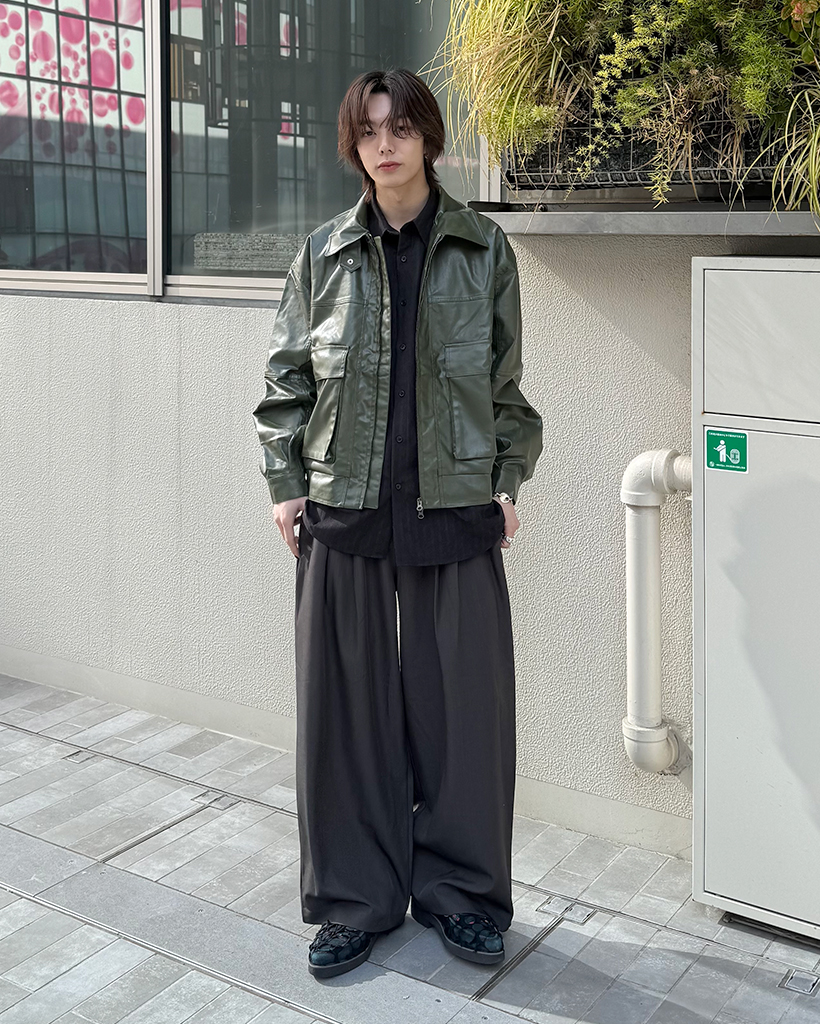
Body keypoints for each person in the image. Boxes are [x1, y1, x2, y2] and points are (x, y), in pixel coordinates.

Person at [252, 67, 543, 979]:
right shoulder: (323, 254)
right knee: (344, 719)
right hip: (344, 504)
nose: (386, 144)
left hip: (454, 508)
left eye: (402, 128)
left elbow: (505, 387)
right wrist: (285, 483)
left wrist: (507, 481)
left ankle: (462, 897)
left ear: (428, 138)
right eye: (370, 130)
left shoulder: (484, 248)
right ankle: (354, 900)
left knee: (464, 717)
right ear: (354, 144)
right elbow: (287, 382)